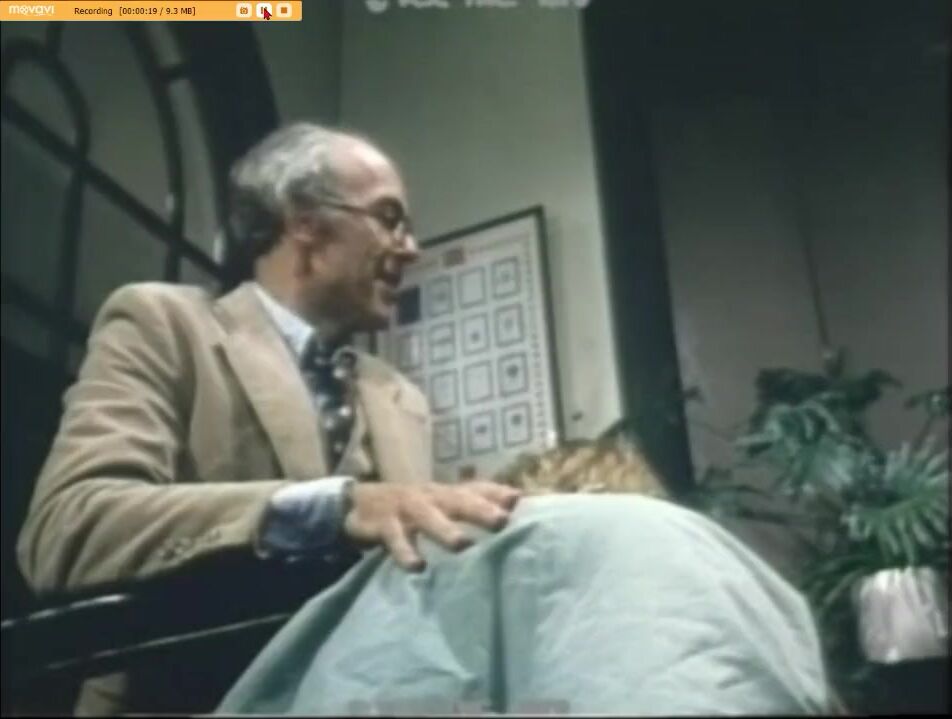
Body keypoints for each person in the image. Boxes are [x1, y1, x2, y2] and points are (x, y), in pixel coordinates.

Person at [15, 123, 522, 716]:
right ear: (304, 220)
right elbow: (69, 529)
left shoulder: (402, 401)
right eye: (389, 218)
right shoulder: (164, 325)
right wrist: (331, 508)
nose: (411, 248)